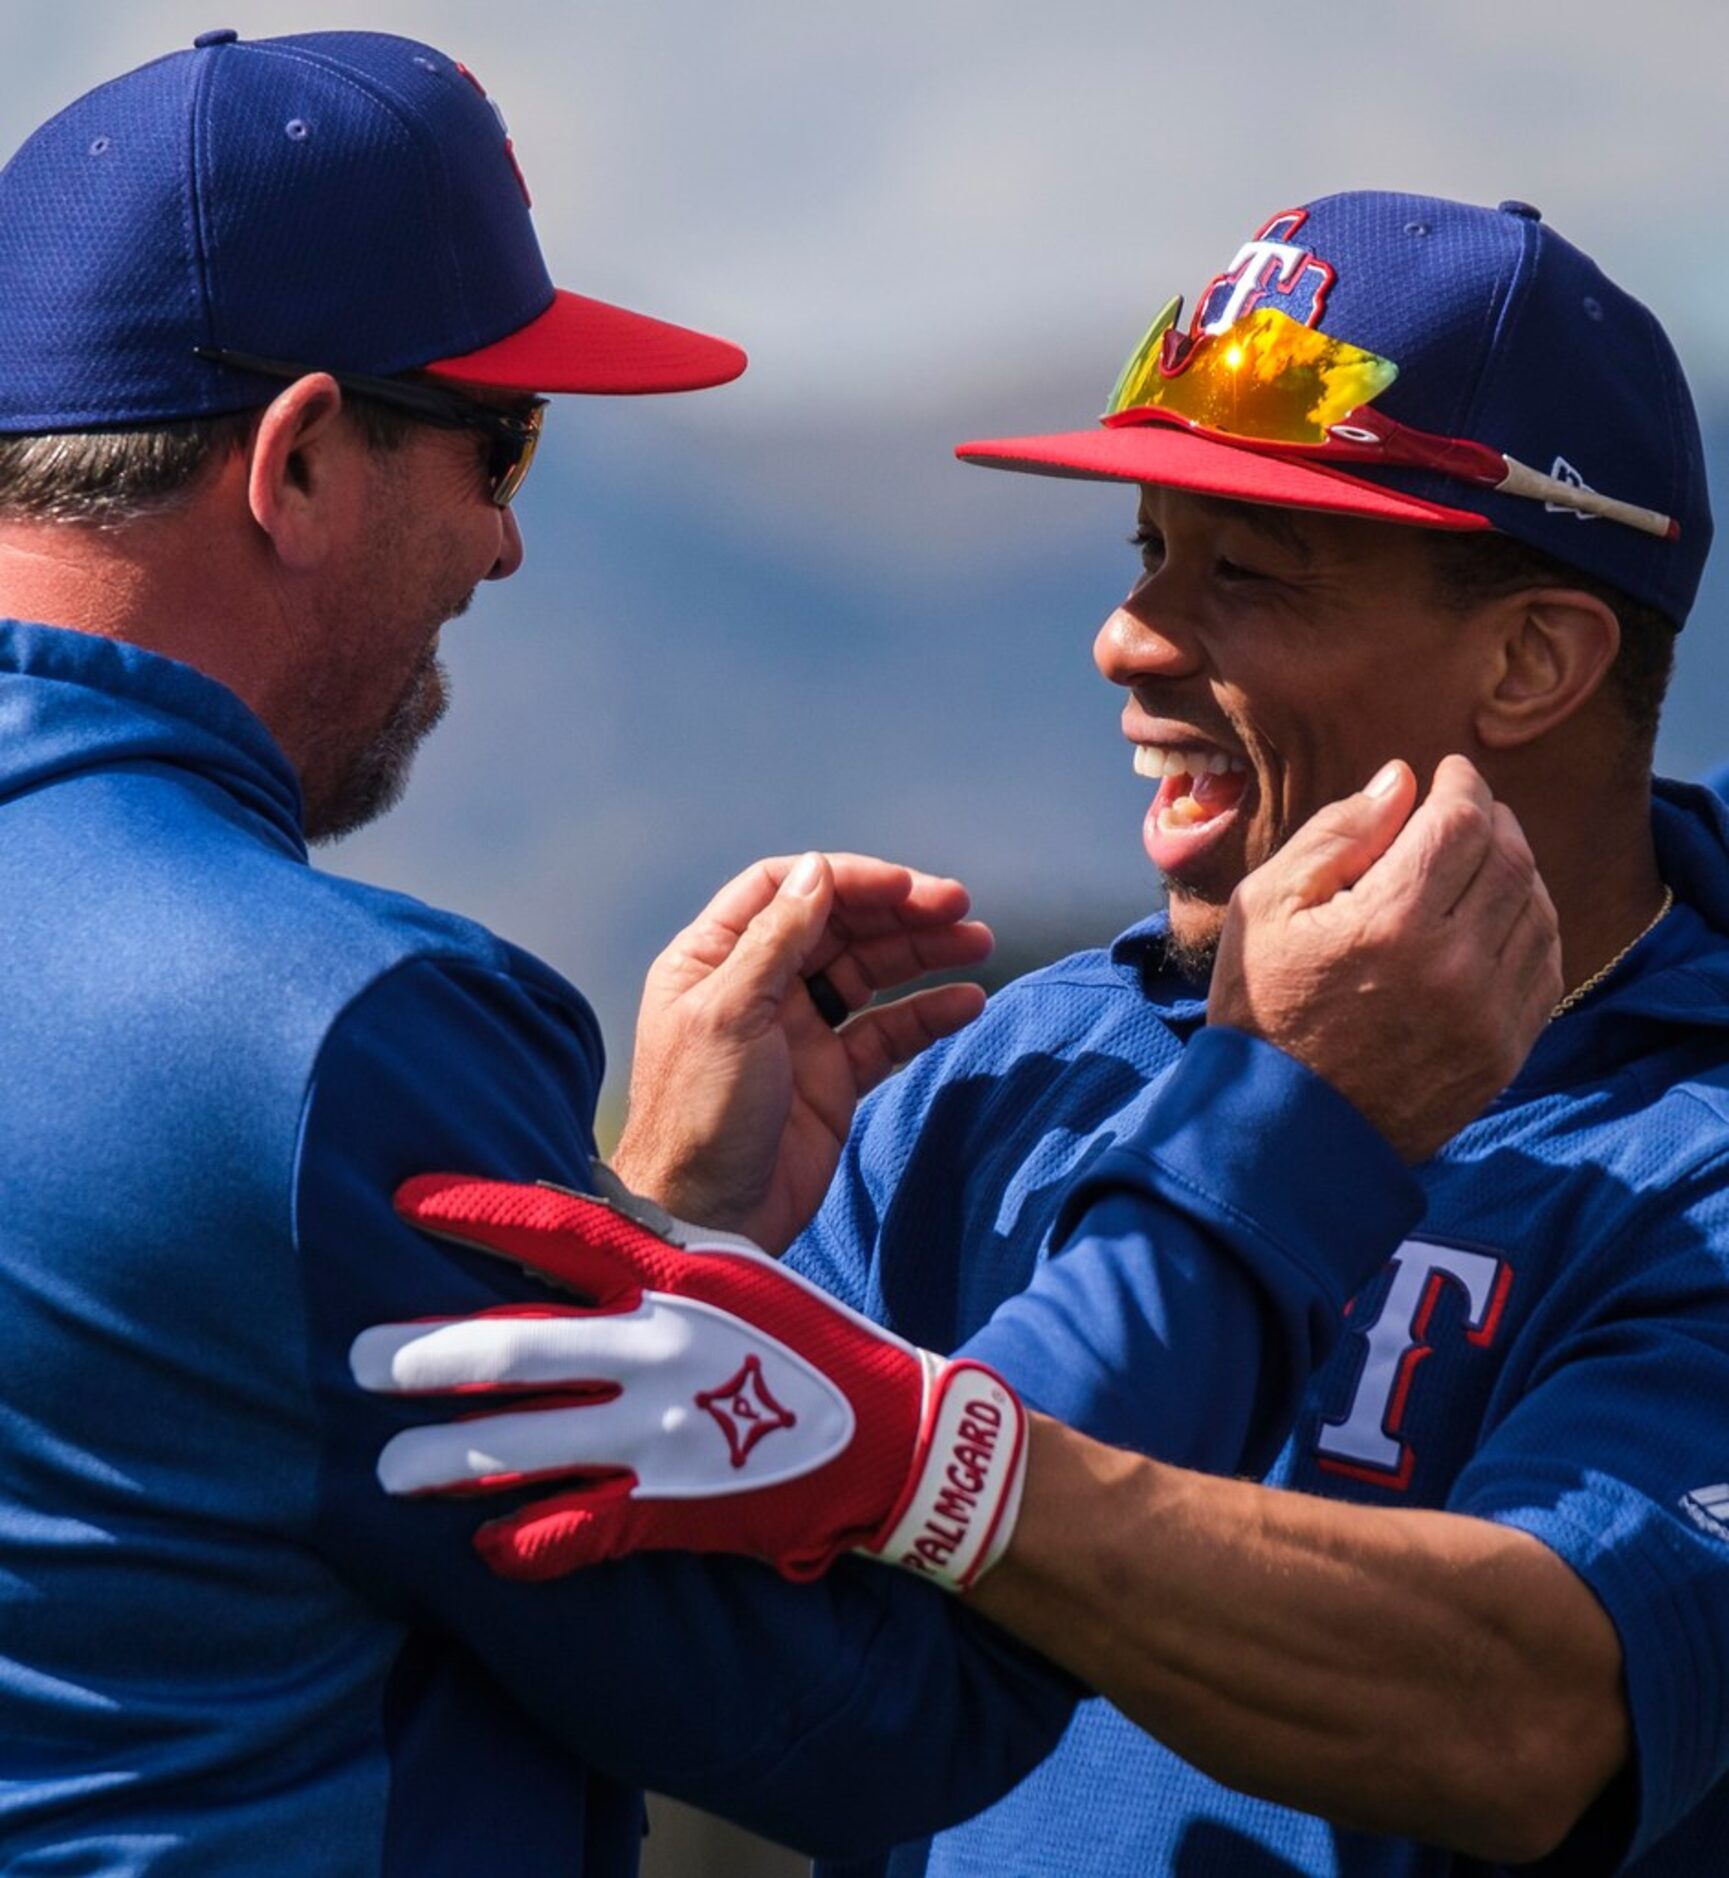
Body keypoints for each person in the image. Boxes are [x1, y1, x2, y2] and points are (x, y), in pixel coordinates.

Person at [0, 34, 1559, 1876]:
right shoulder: (326, 1037)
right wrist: (1280, 1116)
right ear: (303, 458)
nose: (503, 541)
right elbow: (881, 1697)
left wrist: (671, 1237)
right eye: (502, 443)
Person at [367, 194, 1729, 1875]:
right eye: (1146, 550)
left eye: (1247, 571)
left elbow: (1530, 1715)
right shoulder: (1010, 1069)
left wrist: (948, 1465)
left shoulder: (1699, 1153)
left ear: (1531, 660)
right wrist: (681, 1225)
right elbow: (737, 1683)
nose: (1129, 636)